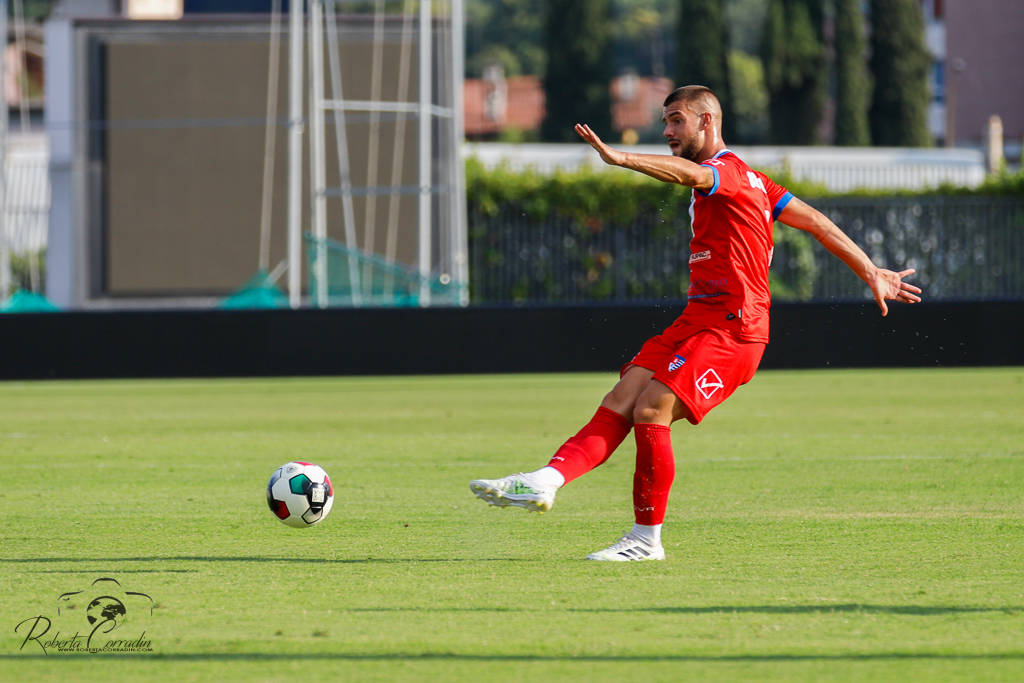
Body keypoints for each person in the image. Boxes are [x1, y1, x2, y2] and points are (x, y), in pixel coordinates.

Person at [469, 85, 922, 561]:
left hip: (735, 329)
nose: (667, 131)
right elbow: (818, 224)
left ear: (707, 121)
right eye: (665, 122)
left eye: (676, 121)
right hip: (698, 318)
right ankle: (544, 482)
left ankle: (646, 541)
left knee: (650, 409)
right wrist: (869, 269)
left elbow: (692, 175)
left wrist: (620, 158)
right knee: (621, 400)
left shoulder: (722, 172)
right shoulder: (759, 183)